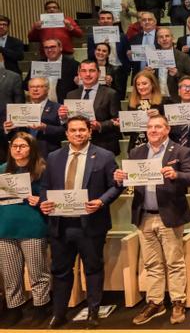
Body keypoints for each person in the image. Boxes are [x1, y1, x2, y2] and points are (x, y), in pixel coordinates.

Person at [39, 116, 121, 329]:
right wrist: (44, 202)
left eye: (82, 130)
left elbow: (116, 186)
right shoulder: (54, 156)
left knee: (93, 268)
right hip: (60, 225)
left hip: (91, 224)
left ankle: (93, 312)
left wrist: (101, 202)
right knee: (60, 270)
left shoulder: (104, 156)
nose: (78, 134)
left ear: (89, 132)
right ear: (66, 134)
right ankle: (59, 313)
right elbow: (45, 186)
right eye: (73, 130)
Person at [114, 115, 190, 326]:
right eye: (150, 127)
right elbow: (128, 182)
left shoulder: (180, 151)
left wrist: (176, 174)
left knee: (174, 262)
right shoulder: (136, 152)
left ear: (167, 130)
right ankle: (156, 302)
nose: (153, 130)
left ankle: (178, 301)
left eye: (158, 126)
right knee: (151, 263)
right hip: (144, 215)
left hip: (169, 214)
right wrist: (120, 178)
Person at [0, 133, 50, 324]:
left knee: (37, 272)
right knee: (11, 273)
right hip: (5, 228)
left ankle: (41, 306)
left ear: (32, 148)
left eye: (22, 146)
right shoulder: (2, 171)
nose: (18, 149)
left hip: (32, 226)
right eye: (14, 146)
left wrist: (41, 200)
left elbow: (51, 197)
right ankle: (15, 308)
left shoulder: (42, 170)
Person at [61, 60, 121, 155]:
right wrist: (64, 118)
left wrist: (100, 125)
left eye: (92, 70)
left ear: (99, 73)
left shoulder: (110, 93)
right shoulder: (71, 95)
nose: (87, 74)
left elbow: (117, 120)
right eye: (84, 71)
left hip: (103, 145)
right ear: (79, 74)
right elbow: (68, 124)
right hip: (78, 145)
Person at [2, 77, 64, 158]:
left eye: (39, 87)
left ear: (47, 89)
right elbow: (13, 136)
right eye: (32, 87)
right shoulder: (19, 109)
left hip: (48, 156)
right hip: (24, 156)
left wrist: (45, 128)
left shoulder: (58, 108)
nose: (35, 89)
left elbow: (64, 132)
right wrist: (8, 130)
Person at [124, 70, 166, 153]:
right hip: (136, 147)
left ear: (153, 84)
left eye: (144, 83)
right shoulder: (132, 103)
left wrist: (160, 116)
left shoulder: (163, 102)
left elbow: (171, 127)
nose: (141, 87)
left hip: (158, 147)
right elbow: (127, 132)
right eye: (138, 84)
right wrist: (122, 124)